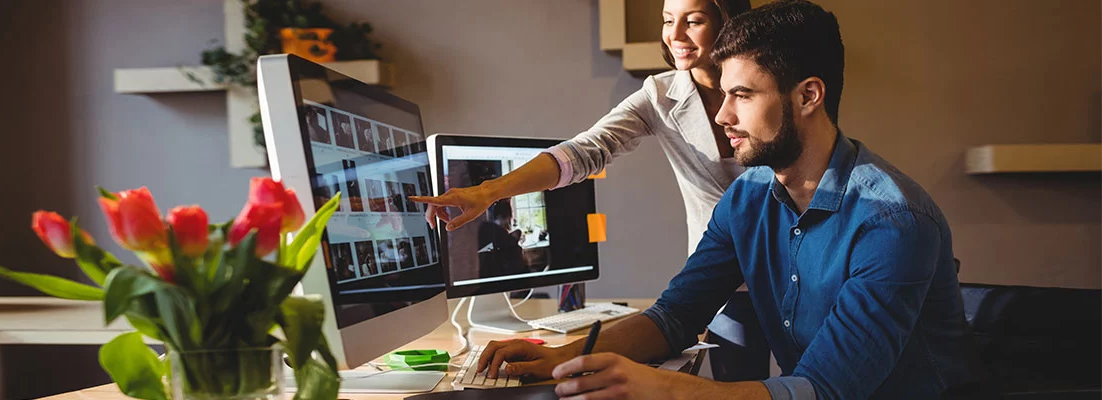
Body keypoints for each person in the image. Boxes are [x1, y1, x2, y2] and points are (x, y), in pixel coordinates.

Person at [470, 2, 976, 398]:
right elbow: (673, 317)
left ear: (807, 96)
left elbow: (822, 390)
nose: (721, 116)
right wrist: (563, 356)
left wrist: (664, 389)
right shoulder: (748, 197)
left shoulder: (893, 222)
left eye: (743, 96)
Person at [411, 0, 771, 381]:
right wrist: (491, 191)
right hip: (722, 280)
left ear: (727, 22)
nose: (675, 35)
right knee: (740, 385)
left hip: (793, 261)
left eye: (693, 21)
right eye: (668, 21)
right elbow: (584, 150)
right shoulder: (660, 95)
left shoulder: (771, 82)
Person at [476, 200, 528, 278]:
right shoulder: (499, 232)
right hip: (495, 272)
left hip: (484, 269)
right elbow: (506, 244)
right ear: (507, 217)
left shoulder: (485, 226)